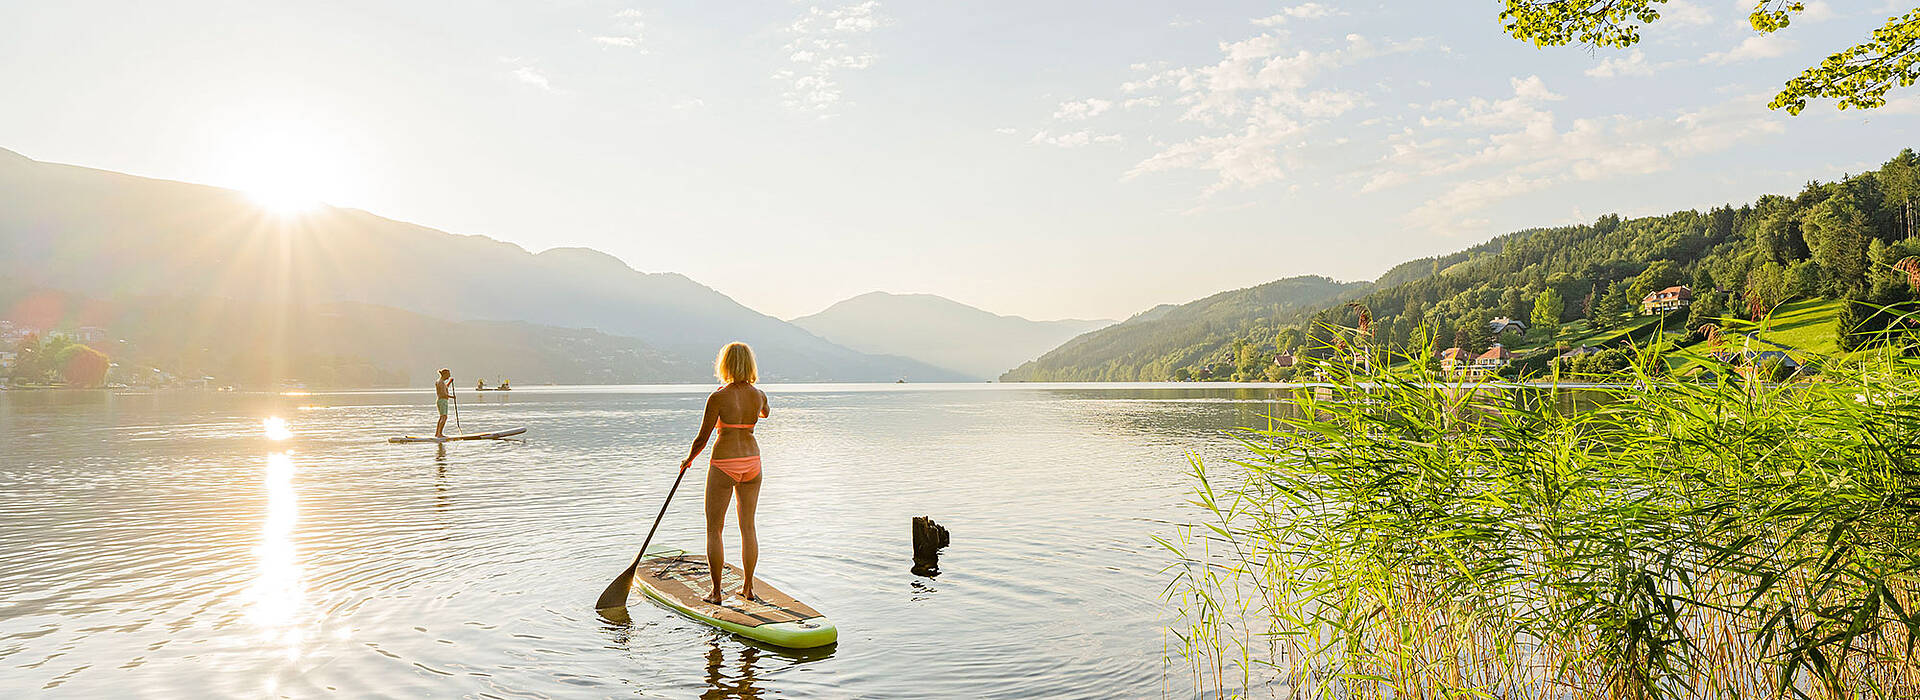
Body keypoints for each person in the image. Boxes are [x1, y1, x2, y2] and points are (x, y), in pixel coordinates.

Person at [678, 342, 769, 604]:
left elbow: (701, 439)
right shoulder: (759, 394)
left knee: (714, 530)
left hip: (724, 464)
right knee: (748, 527)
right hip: (752, 462)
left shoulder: (717, 398)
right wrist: (757, 405)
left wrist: (688, 460)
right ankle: (748, 588)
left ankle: (716, 593)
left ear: (725, 364)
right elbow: (765, 413)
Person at [434, 368, 455, 438]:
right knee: (444, 417)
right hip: (442, 401)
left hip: (441, 401)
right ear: (445, 374)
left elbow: (445, 388)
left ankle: (437, 433)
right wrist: (452, 397)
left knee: (442, 417)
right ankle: (439, 434)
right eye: (448, 375)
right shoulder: (440, 382)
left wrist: (450, 382)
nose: (449, 376)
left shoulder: (440, 381)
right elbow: (443, 394)